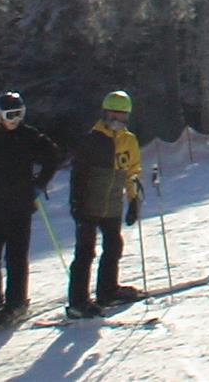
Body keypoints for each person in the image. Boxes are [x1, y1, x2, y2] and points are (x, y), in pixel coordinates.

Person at [0, 91, 60, 328]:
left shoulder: (28, 136)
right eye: (10, 115)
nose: (15, 120)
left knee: (15, 257)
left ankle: (16, 303)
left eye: (19, 114)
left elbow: (53, 155)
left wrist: (40, 183)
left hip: (20, 206)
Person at [66, 90, 143, 318]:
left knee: (113, 246)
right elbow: (78, 174)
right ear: (105, 113)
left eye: (122, 115)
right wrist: (77, 203)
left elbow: (132, 172)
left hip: (112, 203)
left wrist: (133, 200)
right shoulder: (92, 139)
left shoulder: (129, 140)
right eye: (113, 114)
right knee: (85, 251)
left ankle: (108, 290)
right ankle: (78, 301)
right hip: (90, 202)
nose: (117, 119)